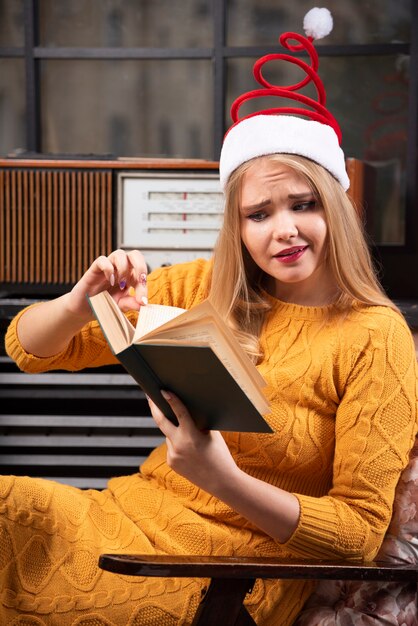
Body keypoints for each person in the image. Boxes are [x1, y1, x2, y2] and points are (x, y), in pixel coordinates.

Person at [2, 8, 417, 626]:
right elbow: (28, 349)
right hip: (124, 517)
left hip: (228, 575)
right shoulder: (201, 285)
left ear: (335, 205)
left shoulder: (375, 336)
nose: (284, 231)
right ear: (237, 223)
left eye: (303, 204)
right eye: (259, 214)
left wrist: (217, 476)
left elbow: (356, 536)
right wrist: (79, 300)